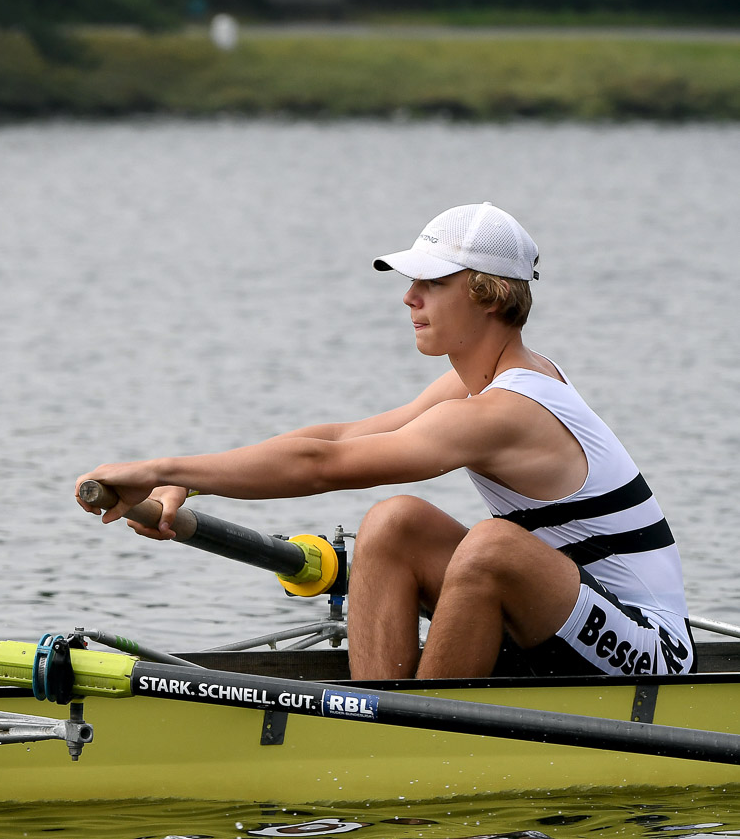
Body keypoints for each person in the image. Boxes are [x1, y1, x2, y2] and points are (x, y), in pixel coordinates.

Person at [76, 202, 692, 681]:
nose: (408, 297)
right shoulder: (476, 382)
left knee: (494, 548)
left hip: (649, 653)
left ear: (487, 292)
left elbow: (324, 466)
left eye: (430, 282)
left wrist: (155, 464)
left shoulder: (507, 409)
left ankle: (417, 747)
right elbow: (339, 437)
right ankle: (379, 718)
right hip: (568, 619)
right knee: (394, 524)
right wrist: (188, 474)